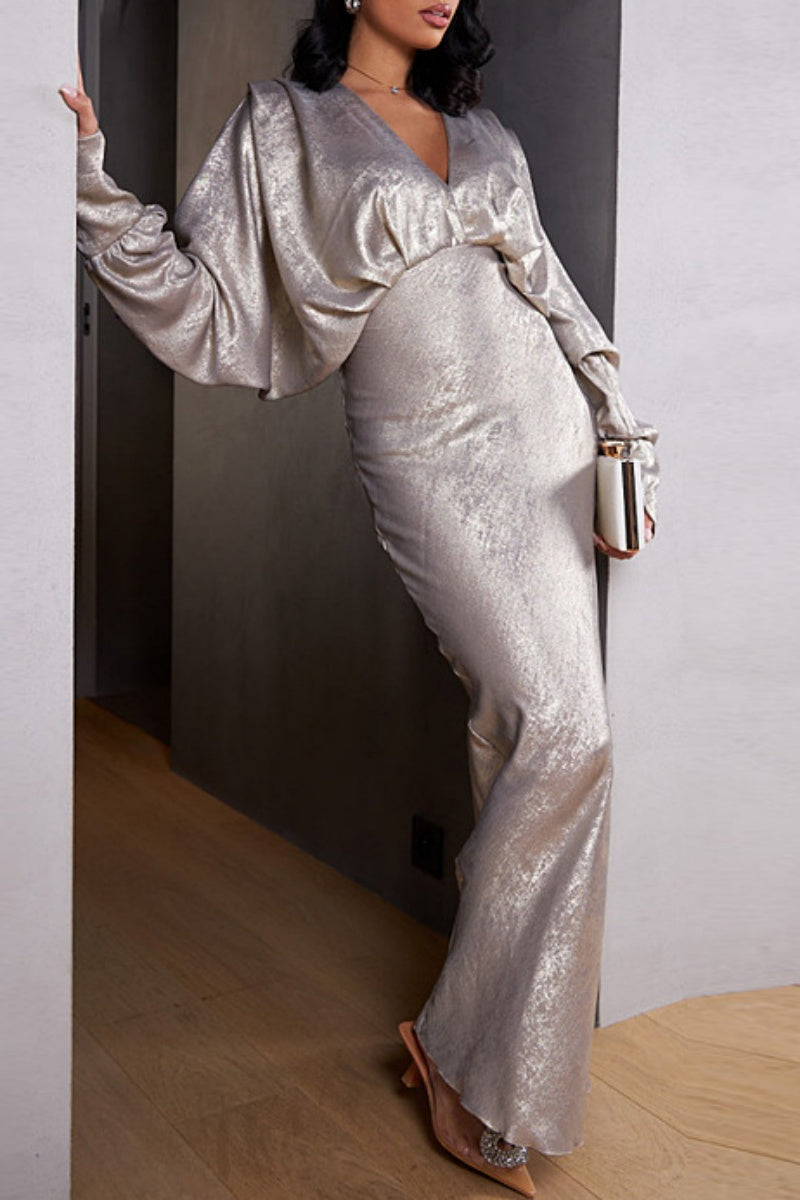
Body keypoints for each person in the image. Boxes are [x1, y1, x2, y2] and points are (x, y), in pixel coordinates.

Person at [60, 1, 659, 1194]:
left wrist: (615, 433)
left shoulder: (479, 127)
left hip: (542, 434)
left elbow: (549, 286)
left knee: (537, 732)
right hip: (427, 447)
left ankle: (485, 1055)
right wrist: (87, 184)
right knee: (561, 728)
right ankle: (460, 1049)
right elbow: (207, 298)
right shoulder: (283, 124)